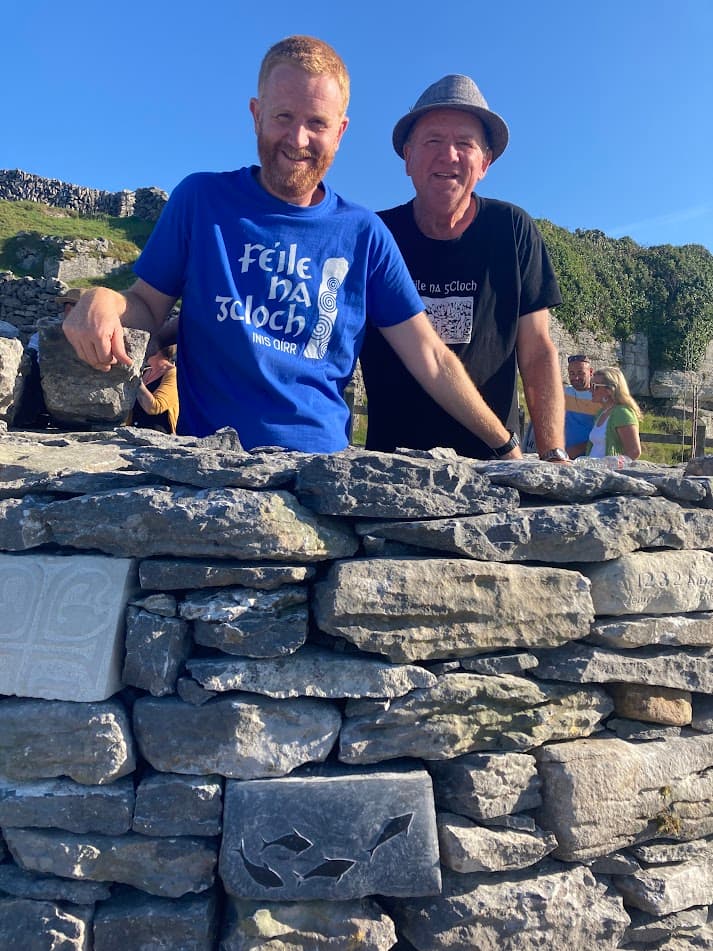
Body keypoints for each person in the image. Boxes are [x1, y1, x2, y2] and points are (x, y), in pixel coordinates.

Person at [62, 36, 521, 460]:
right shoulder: (201, 201)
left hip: (320, 479)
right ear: (256, 114)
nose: (298, 139)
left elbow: (432, 357)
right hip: (210, 467)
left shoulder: (365, 234)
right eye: (283, 117)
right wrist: (103, 299)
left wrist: (505, 446)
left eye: (316, 123)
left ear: (339, 132)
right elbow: (147, 304)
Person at [359, 74, 568, 463]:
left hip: (494, 467)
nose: (448, 155)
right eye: (433, 141)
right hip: (390, 466)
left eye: (464, 144)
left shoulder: (511, 230)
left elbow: (538, 348)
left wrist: (552, 452)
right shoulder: (376, 236)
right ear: (408, 157)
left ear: (485, 163)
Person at [586, 366, 642, 460]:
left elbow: (634, 451)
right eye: (590, 385)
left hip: (607, 472)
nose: (590, 390)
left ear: (610, 390)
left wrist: (612, 466)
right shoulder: (601, 413)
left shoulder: (622, 413)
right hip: (594, 470)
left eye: (595, 387)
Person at [130, 345, 179, 434]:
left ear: (157, 349)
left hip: (159, 437)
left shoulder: (173, 374)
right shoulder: (144, 371)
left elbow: (155, 407)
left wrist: (137, 381)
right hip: (132, 433)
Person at [564, 355, 602, 458]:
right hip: (563, 456)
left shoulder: (600, 398)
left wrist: (578, 449)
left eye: (580, 373)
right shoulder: (563, 394)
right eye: (572, 374)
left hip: (591, 457)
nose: (576, 378)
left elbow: (606, 433)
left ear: (590, 372)